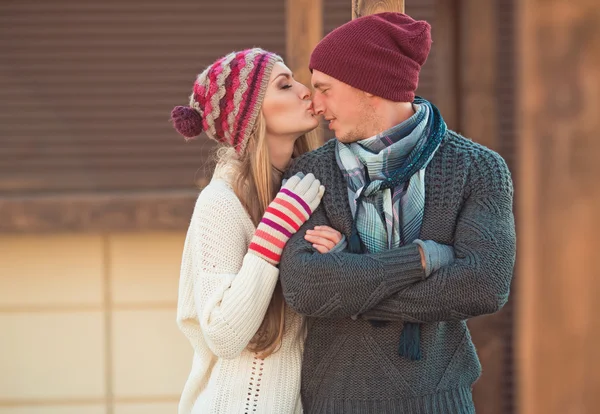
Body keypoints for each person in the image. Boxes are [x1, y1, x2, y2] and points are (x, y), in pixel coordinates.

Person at [278, 13, 517, 413]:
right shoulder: (309, 173)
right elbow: (305, 288)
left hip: (440, 400)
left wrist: (350, 275)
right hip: (334, 401)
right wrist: (420, 259)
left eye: (324, 89)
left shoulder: (477, 168)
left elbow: (484, 285)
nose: (315, 106)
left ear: (369, 87)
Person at [171, 48, 329, 414]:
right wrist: (272, 235)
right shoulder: (221, 202)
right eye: (285, 85)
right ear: (252, 115)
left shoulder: (302, 189)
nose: (305, 90)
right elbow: (224, 334)